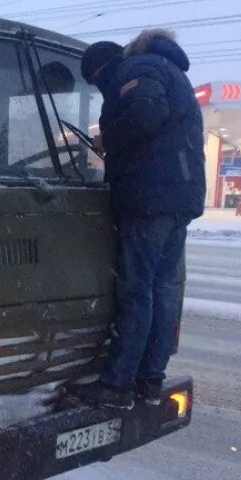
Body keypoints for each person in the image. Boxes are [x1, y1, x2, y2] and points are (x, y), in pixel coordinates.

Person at [77, 30, 205, 408]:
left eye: (95, 83)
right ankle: (149, 379)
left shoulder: (137, 68)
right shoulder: (169, 70)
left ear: (102, 70)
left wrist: (106, 140)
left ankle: (116, 385)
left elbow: (146, 115)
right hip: (178, 195)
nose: (101, 89)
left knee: (137, 291)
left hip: (150, 196)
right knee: (163, 289)